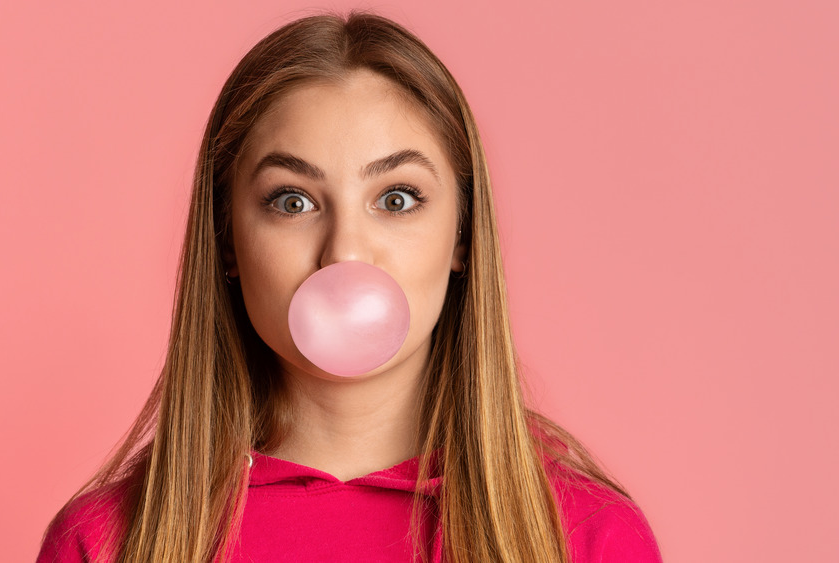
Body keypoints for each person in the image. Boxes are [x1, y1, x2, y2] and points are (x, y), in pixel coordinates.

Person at [37, 12, 661, 563]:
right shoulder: (111, 543)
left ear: (463, 236)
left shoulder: (587, 538)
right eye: (293, 200)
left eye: (396, 198)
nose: (345, 251)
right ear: (227, 240)